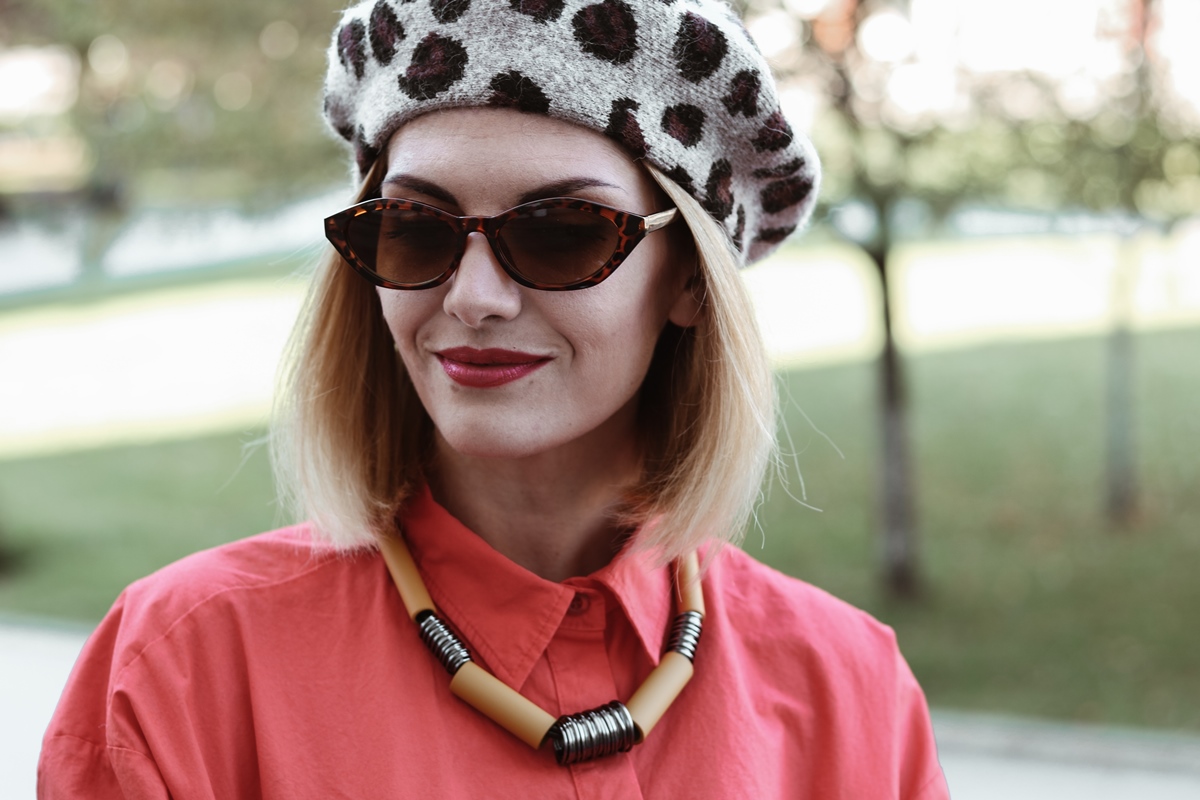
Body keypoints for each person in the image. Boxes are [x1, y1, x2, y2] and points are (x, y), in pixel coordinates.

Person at [40, 0, 949, 796]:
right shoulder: (181, 670)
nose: (473, 299)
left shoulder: (849, 689)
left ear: (687, 283)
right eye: (415, 228)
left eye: (560, 231)